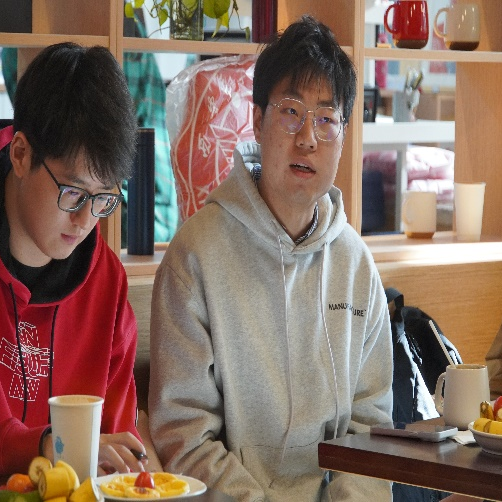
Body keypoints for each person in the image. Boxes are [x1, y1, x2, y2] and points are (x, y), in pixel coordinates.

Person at [149, 15, 393, 501]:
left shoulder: (355, 265)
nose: (308, 138)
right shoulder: (196, 256)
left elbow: (372, 427)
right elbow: (185, 436)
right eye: (291, 112)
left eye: (326, 119)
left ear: (344, 135)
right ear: (258, 120)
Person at [0, 42, 147, 478]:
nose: (85, 220)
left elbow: (120, 440)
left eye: (103, 198)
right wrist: (55, 445)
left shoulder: (106, 281)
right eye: (73, 192)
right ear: (21, 154)